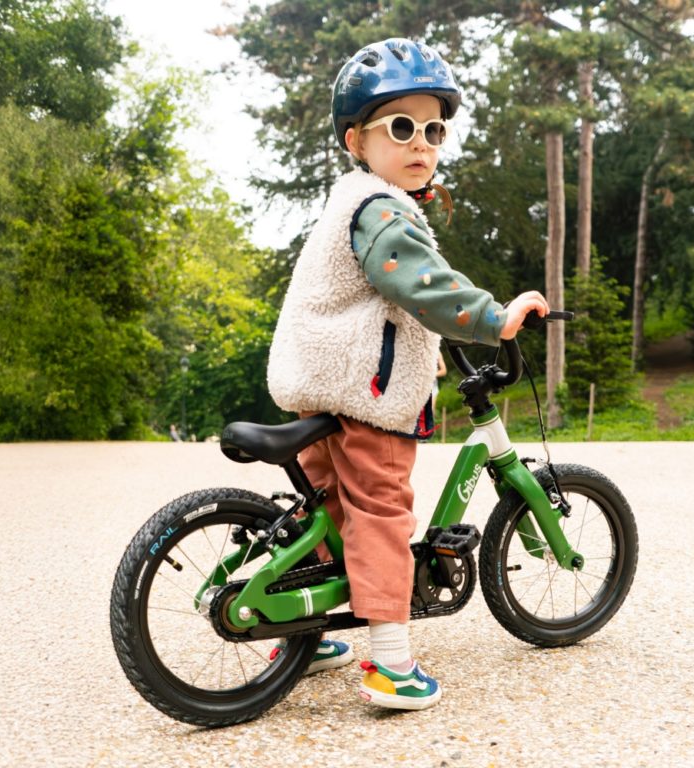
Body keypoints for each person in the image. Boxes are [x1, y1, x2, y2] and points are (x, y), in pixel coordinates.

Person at [267, 37, 549, 711]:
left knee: (327, 518)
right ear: (355, 139)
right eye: (401, 126)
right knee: (381, 515)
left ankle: (302, 632)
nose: (422, 142)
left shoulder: (351, 199)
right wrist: (492, 318)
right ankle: (391, 666)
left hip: (318, 388)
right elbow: (420, 282)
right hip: (362, 398)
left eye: (434, 128)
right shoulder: (383, 207)